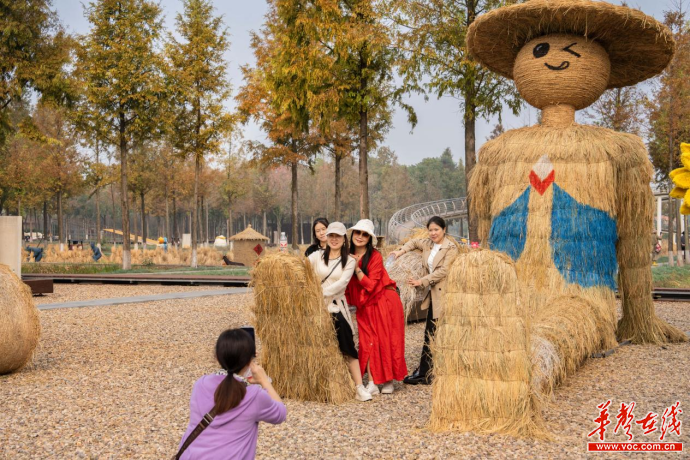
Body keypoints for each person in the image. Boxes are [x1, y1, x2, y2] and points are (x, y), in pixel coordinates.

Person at [176, 329, 286, 459]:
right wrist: (264, 380)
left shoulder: (200, 384)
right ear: (249, 361)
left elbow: (226, 389)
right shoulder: (254, 395)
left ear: (217, 357)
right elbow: (280, 413)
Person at [307, 222, 372, 402]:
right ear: (326, 237)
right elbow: (301, 267)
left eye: (338, 236)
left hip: (335, 306)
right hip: (316, 308)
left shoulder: (350, 260)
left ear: (344, 239)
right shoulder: (316, 256)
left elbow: (341, 284)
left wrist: (318, 294)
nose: (334, 239)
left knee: (347, 346)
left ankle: (359, 387)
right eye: (331, 236)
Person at [389, 216, 458, 385]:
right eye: (431, 230)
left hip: (444, 294)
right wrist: (400, 251)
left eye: (436, 230)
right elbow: (413, 243)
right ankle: (427, 371)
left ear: (444, 230)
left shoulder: (451, 248)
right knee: (430, 333)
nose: (433, 233)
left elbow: (443, 271)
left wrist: (422, 281)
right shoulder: (427, 243)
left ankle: (427, 372)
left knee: (435, 333)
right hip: (433, 294)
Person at [346, 219, 407, 396]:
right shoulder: (347, 254)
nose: (360, 237)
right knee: (367, 340)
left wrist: (357, 268)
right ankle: (372, 381)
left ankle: (388, 379)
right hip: (364, 303)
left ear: (369, 238)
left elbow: (371, 285)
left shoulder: (375, 257)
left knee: (385, 339)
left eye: (365, 234)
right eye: (358, 232)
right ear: (353, 234)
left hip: (383, 300)